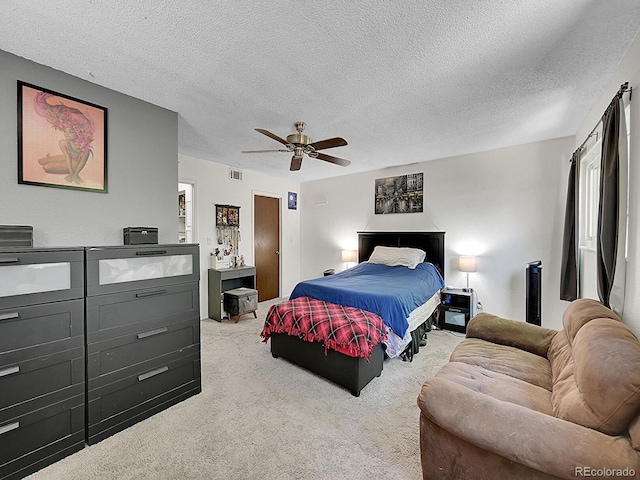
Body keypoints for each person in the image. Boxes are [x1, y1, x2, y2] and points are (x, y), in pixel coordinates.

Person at [34, 92, 95, 185]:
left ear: (78, 133)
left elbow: (82, 163)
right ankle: (55, 162)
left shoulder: (85, 149)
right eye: (65, 131)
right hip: (68, 158)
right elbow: (67, 157)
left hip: (76, 163)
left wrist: (74, 174)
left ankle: (61, 167)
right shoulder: (63, 143)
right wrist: (70, 171)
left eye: (70, 132)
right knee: (41, 161)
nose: (67, 134)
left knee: (47, 167)